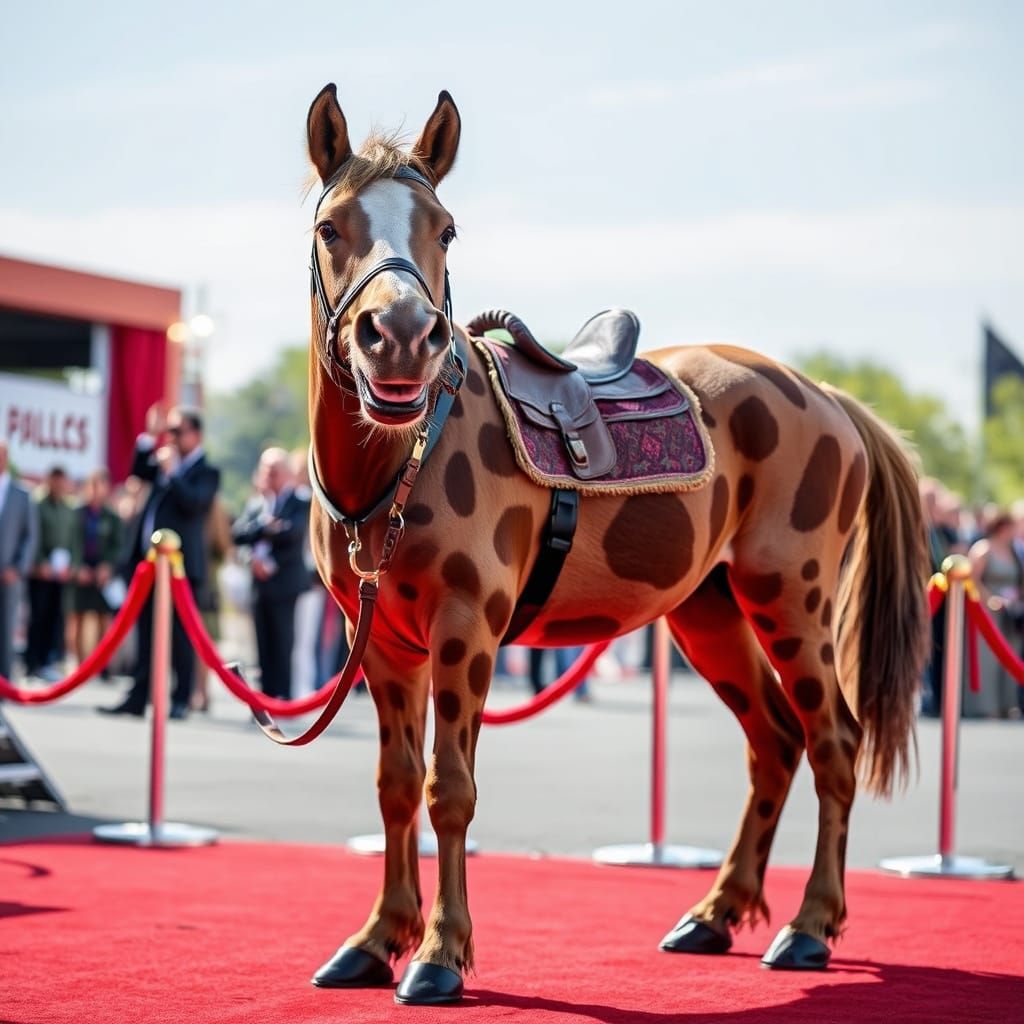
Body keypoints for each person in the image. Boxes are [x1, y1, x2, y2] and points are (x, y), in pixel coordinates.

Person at [100, 405, 220, 719]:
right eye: (170, 432)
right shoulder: (167, 462)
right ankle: (138, 698)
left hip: (182, 570)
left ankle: (181, 697)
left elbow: (194, 505)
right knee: (146, 633)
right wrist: (149, 437)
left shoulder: (205, 472)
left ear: (196, 435)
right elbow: (138, 472)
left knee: (181, 636)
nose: (173, 438)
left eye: (178, 431)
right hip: (149, 566)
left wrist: (172, 473)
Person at [231, 447, 311, 701]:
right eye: (265, 470)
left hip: (284, 582)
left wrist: (270, 559)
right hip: (259, 583)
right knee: (262, 642)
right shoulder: (257, 505)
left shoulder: (299, 501)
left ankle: (283, 697)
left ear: (286, 473)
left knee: (283, 641)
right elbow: (238, 534)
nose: (269, 476)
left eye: (274, 471)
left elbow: (293, 534)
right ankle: (264, 696)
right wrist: (264, 529)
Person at [965, 511, 1024, 719]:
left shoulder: (1013, 551)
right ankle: (985, 706)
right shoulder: (983, 549)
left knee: (1010, 654)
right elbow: (972, 579)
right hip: (986, 611)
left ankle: (1007, 704)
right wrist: (990, 599)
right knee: (987, 658)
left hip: (1010, 612)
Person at [68, 468, 123, 672]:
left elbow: (119, 546)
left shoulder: (112, 517)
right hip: (81, 572)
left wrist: (107, 566)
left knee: (103, 619)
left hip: (102, 574)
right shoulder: (77, 513)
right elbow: (70, 542)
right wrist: (77, 567)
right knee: (77, 618)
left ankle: (103, 665)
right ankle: (80, 665)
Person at [25, 466, 75, 680]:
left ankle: (48, 661)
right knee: (38, 617)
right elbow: (31, 535)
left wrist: (71, 565)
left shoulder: (67, 508)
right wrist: (39, 562)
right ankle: (32, 662)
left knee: (56, 618)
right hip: (40, 572)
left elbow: (73, 539)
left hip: (60, 572)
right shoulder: (37, 504)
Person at [0, 440, 38, 679]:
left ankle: (5, 682)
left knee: (6, 629)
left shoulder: (22, 494)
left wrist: (17, 567)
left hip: (9, 575)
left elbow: (30, 537)